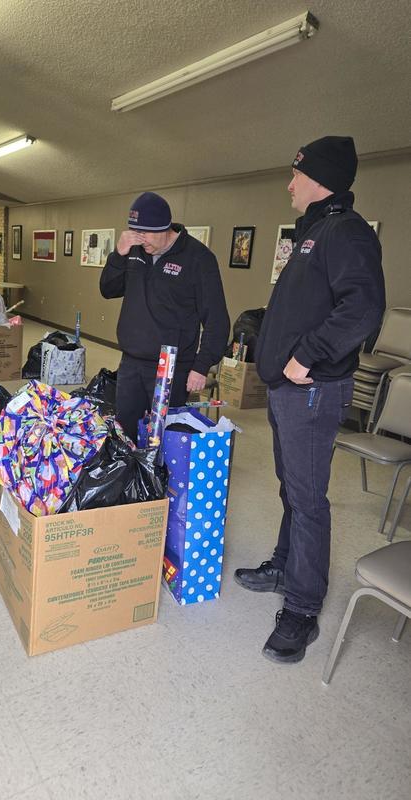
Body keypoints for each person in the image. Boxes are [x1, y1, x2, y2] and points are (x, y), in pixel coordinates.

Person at [234, 136, 386, 664]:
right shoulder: (312, 234)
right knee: (291, 488)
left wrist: (306, 356)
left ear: (319, 178)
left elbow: (363, 309)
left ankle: (301, 607)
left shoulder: (346, 232)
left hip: (312, 391)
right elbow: (310, 305)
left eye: (296, 175)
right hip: (287, 389)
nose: (289, 183)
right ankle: (283, 565)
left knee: (309, 498)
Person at [100, 191, 230, 441]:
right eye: (135, 233)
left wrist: (201, 367)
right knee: (125, 432)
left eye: (145, 233)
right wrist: (119, 254)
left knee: (165, 437)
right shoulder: (135, 251)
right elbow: (108, 289)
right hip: (131, 361)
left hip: (170, 367)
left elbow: (217, 319)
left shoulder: (199, 258)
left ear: (165, 228)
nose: (141, 240)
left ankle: (160, 480)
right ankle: (131, 480)